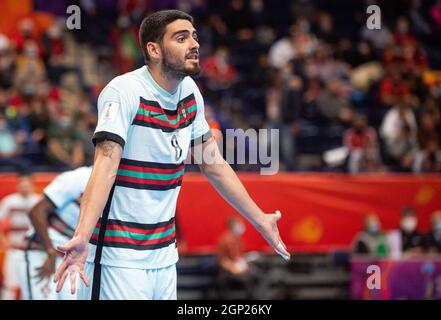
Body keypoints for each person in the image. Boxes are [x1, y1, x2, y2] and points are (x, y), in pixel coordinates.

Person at [53, 10, 290, 300]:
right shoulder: (124, 91)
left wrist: (258, 218)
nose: (194, 44)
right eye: (181, 38)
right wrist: (82, 235)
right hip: (118, 258)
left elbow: (213, 164)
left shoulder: (189, 92)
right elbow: (105, 164)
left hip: (165, 258)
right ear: (153, 49)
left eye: (194, 36)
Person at [17, 166, 91, 300]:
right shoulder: (79, 178)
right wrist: (50, 252)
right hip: (41, 252)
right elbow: (36, 212)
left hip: (70, 258)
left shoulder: (114, 186)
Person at [0, 173, 39, 299]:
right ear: (17, 185)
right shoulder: (9, 201)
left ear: (32, 185)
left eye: (27, 185)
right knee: (9, 284)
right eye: (22, 185)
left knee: (31, 285)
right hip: (14, 249)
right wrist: (4, 240)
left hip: (34, 250)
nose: (24, 187)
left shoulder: (39, 201)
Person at [217, 216, 262, 299]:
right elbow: (222, 260)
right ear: (233, 226)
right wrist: (232, 267)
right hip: (229, 271)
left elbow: (240, 256)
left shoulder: (239, 240)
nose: (242, 226)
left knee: (257, 273)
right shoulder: (224, 240)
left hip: (241, 267)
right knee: (248, 278)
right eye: (239, 224)